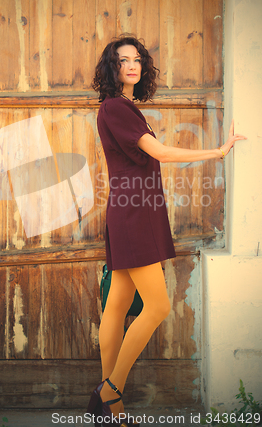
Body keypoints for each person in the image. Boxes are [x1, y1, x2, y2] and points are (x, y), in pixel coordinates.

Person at [86, 35, 247, 427]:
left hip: (131, 211)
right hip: (134, 214)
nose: (132, 65)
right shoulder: (117, 108)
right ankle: (109, 392)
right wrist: (216, 152)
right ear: (112, 68)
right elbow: (158, 153)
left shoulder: (121, 107)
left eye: (137, 59)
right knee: (157, 306)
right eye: (123, 60)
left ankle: (113, 414)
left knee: (118, 306)